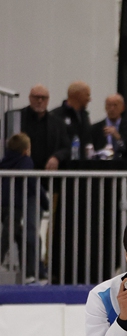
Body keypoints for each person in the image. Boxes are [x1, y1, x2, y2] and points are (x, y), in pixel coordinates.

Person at [0, 133, 41, 282]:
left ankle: (29, 273)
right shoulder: (25, 161)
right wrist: (43, 200)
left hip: (4, 204)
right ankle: (28, 272)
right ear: (25, 150)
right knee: (10, 234)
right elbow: (31, 181)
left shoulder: (6, 161)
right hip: (16, 205)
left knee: (19, 235)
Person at [19, 85, 71, 170]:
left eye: (43, 98)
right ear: (30, 98)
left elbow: (66, 148)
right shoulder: (17, 118)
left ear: (48, 100)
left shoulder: (57, 123)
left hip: (47, 174)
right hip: (21, 172)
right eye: (36, 97)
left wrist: (56, 157)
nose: (40, 101)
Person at [88, 94, 127, 159]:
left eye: (115, 105)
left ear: (123, 108)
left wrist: (119, 138)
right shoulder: (95, 128)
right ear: (105, 108)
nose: (112, 109)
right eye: (109, 105)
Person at [49, 81, 91, 157]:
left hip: (82, 166)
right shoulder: (55, 116)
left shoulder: (84, 116)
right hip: (63, 165)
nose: (89, 99)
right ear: (78, 95)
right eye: (87, 95)